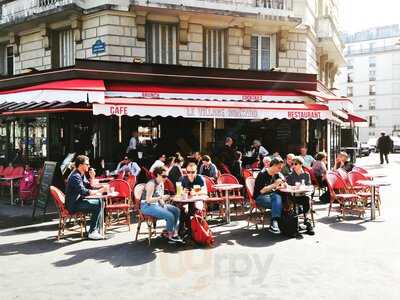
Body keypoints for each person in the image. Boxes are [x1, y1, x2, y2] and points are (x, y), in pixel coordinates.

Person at [65, 155, 108, 240]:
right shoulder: (75, 176)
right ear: (81, 165)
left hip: (78, 201)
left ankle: (96, 230)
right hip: (73, 205)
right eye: (87, 164)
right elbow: (83, 191)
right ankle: (92, 232)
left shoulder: (81, 174)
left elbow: (89, 186)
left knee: (100, 201)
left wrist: (92, 177)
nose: (89, 166)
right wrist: (100, 191)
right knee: (98, 204)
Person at [140, 166, 183, 243]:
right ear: (158, 175)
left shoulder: (161, 183)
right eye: (164, 176)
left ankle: (171, 231)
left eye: (167, 176)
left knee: (176, 210)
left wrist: (164, 205)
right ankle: (170, 236)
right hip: (147, 206)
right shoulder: (151, 184)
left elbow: (160, 199)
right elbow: (148, 200)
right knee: (169, 215)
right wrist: (161, 198)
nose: (166, 178)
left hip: (156, 204)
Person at [254, 157, 285, 234]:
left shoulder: (276, 174)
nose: (280, 169)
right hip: (260, 197)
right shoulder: (262, 174)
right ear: (274, 165)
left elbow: (281, 183)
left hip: (271, 196)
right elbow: (262, 190)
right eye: (279, 167)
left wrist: (282, 185)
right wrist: (275, 184)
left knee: (279, 198)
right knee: (278, 199)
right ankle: (276, 222)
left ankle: (275, 223)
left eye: (281, 168)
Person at [285, 156, 315, 235]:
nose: (294, 165)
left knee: (307, 198)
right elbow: (288, 187)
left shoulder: (306, 174)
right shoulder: (290, 175)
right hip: (293, 196)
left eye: (296, 164)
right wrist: (293, 187)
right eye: (292, 164)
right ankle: (301, 223)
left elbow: (309, 185)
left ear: (301, 164)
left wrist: (305, 188)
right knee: (306, 199)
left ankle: (307, 221)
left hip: (303, 195)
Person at [179, 162, 207, 235]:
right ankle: (183, 231)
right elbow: (179, 193)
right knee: (182, 210)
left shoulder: (199, 178)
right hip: (186, 201)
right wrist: (183, 191)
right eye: (188, 172)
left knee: (192, 209)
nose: (190, 174)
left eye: (193, 172)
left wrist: (195, 192)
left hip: (198, 201)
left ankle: (193, 231)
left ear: (196, 171)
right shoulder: (183, 179)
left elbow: (205, 191)